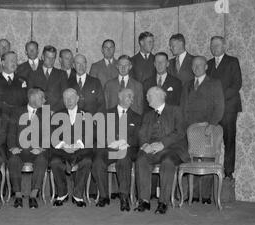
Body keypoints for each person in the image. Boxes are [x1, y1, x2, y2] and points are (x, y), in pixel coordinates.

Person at [135, 87, 189, 215]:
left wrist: (163, 144)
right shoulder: (148, 115)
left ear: (158, 97)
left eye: (149, 96)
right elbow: (142, 133)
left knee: (168, 162)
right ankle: (144, 201)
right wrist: (145, 145)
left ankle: (163, 202)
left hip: (172, 149)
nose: (146, 99)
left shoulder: (175, 111)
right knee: (141, 159)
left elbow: (180, 132)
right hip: (152, 150)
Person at [180, 56, 225, 204]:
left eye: (200, 65)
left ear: (206, 67)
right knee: (188, 159)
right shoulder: (187, 85)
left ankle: (205, 196)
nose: (196, 67)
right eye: (194, 65)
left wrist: (212, 124)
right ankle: (189, 195)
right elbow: (182, 108)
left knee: (207, 159)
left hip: (207, 128)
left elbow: (220, 106)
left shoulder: (214, 83)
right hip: (189, 129)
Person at [92, 88, 141, 211]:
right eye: (128, 96)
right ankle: (103, 196)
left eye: (132, 97)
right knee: (98, 160)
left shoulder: (137, 117)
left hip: (126, 150)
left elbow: (138, 138)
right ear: (120, 97)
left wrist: (124, 143)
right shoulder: (106, 114)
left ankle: (124, 197)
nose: (131, 99)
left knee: (123, 158)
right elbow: (98, 133)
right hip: (109, 148)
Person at [206, 36, 242, 181]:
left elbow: (237, 84)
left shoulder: (233, 61)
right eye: (212, 45)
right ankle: (209, 176)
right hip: (213, 111)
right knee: (210, 143)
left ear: (224, 46)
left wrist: (219, 98)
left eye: (218, 45)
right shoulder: (207, 64)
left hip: (228, 108)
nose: (214, 48)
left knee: (229, 140)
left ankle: (228, 173)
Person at [50, 88, 93, 207]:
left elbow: (91, 134)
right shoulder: (57, 115)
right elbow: (52, 134)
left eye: (71, 97)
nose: (68, 100)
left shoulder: (86, 114)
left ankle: (78, 196)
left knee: (87, 161)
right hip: (63, 152)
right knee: (54, 162)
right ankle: (62, 194)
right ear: (63, 100)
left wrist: (77, 145)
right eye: (65, 98)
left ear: (78, 98)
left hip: (80, 151)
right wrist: (63, 146)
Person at [7, 88, 48, 209]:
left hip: (37, 151)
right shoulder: (16, 112)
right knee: (13, 160)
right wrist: (13, 147)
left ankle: (33, 196)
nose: (45, 100)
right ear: (32, 98)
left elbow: (48, 135)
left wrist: (41, 148)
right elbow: (11, 133)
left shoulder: (45, 113)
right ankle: (18, 196)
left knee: (42, 160)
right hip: (19, 150)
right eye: (42, 98)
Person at [0, 51, 28, 121]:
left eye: (16, 60)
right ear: (3, 63)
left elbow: (25, 102)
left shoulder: (22, 80)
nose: (14, 63)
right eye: (12, 61)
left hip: (18, 121)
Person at [28, 45, 68, 113]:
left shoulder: (62, 74)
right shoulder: (33, 74)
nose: (51, 60)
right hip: (37, 113)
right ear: (42, 57)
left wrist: (54, 110)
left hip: (56, 113)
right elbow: (30, 95)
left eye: (53, 58)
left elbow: (64, 96)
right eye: (48, 57)